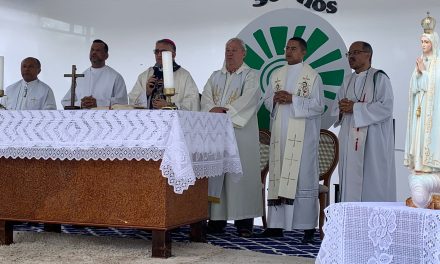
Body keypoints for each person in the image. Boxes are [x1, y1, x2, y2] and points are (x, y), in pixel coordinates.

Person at [259, 37, 324, 243]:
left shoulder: (312, 77)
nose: (288, 51)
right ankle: (276, 225)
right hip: (280, 134)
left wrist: (293, 99)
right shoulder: (276, 74)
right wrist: (275, 100)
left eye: (293, 48)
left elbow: (318, 105)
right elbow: (268, 100)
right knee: (278, 176)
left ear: (303, 52)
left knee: (303, 178)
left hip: (302, 138)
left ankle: (307, 227)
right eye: (287, 47)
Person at [201, 38, 262, 237]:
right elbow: (206, 97)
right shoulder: (215, 75)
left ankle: (244, 223)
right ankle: (216, 221)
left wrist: (226, 113)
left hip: (239, 134)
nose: (229, 53)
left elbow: (250, 99)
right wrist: (212, 109)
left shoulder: (251, 75)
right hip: (217, 133)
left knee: (240, 177)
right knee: (217, 175)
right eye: (227, 49)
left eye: (234, 50)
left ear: (244, 53)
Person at [332, 41, 396, 203]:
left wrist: (356, 108)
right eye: (349, 54)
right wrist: (341, 107)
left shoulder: (379, 78)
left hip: (372, 142)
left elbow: (386, 108)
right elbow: (336, 107)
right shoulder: (347, 80)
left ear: (368, 55)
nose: (351, 56)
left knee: (372, 182)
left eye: (355, 53)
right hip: (349, 137)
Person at [404, 15, 440, 208]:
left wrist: (424, 72)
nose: (423, 45)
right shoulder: (421, 62)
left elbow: (435, 87)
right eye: (422, 42)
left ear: (433, 43)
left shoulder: (437, 64)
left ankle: (430, 166)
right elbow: (415, 87)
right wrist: (418, 73)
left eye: (426, 42)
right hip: (420, 110)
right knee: (418, 137)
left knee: (429, 137)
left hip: (432, 114)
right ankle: (420, 165)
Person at [128, 39, 200, 111]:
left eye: (163, 52)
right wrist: (146, 93)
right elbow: (132, 100)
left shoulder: (184, 76)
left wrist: (169, 105)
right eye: (156, 52)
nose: (159, 55)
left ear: (173, 55)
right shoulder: (145, 75)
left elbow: (193, 100)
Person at [61, 39, 128, 109]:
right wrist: (81, 103)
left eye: (98, 50)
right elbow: (66, 101)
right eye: (92, 50)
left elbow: (123, 103)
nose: (94, 53)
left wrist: (98, 103)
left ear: (106, 56)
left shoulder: (115, 77)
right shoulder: (80, 78)